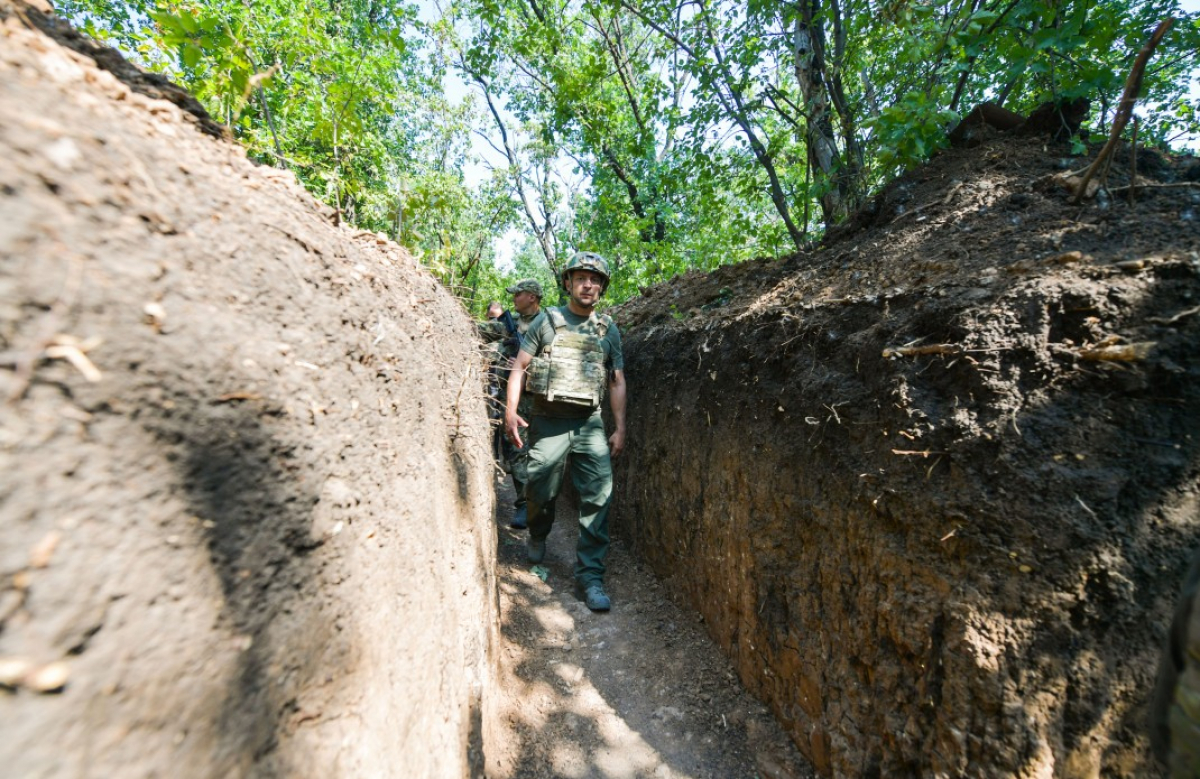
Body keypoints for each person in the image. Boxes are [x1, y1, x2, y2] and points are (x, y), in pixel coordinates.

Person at [505, 252, 626, 612]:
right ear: (569, 283)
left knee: (598, 496)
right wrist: (510, 412)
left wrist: (620, 427)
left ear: (601, 287)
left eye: (595, 279)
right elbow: (519, 368)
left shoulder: (607, 329)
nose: (588, 284)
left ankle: (590, 576)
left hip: (589, 424)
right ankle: (539, 532)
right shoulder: (547, 321)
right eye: (581, 278)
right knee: (540, 488)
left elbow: (616, 380)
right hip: (548, 421)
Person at [502, 279, 544, 529]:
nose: (514, 298)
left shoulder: (550, 324)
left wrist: (529, 368)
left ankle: (543, 504)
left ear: (532, 297)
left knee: (543, 454)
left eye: (518, 294)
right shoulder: (509, 326)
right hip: (518, 400)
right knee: (517, 450)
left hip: (545, 398)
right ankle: (523, 504)